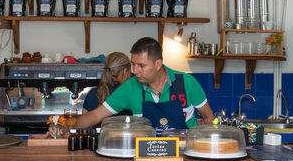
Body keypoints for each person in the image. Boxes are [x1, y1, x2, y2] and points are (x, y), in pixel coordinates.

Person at [64, 37, 215, 133]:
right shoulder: (130, 87)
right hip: (146, 156)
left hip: (184, 155)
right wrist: (67, 128)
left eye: (141, 66)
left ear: (158, 64)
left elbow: (208, 118)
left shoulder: (186, 82)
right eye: (133, 65)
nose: (135, 71)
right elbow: (96, 115)